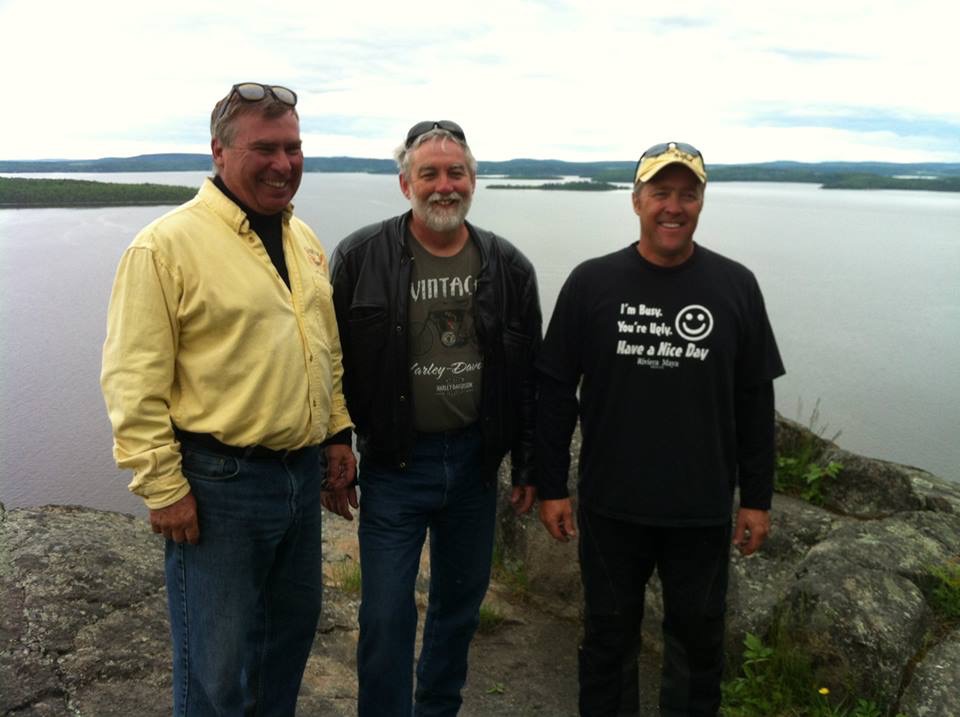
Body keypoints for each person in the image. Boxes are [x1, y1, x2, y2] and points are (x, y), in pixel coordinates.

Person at [100, 82, 356, 716]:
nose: (283, 164)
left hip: (298, 476)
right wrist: (163, 487)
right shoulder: (165, 246)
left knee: (284, 647)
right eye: (264, 148)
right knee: (214, 667)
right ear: (218, 151)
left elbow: (324, 348)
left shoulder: (303, 240)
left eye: (293, 148)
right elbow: (133, 378)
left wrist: (335, 435)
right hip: (219, 486)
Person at [536, 142, 785, 716]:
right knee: (606, 642)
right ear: (636, 201)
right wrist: (551, 485)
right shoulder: (592, 282)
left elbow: (754, 400)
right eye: (660, 193)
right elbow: (553, 391)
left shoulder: (736, 286)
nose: (673, 207)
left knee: (698, 648)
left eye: (687, 194)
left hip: (699, 510)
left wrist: (758, 499)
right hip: (610, 506)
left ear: (700, 202)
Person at [326, 120, 542, 716]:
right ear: (405, 184)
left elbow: (526, 378)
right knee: (385, 613)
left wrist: (527, 462)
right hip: (396, 465)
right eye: (430, 174)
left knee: (458, 609)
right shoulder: (359, 257)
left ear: (473, 181)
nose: (443, 186)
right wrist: (333, 444)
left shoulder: (509, 266)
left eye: (456, 173)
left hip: (475, 465)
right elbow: (327, 363)